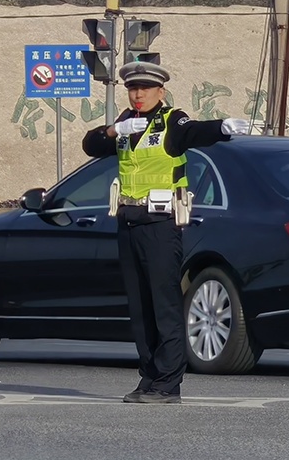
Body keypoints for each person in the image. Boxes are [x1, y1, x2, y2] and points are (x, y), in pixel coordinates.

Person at [81, 61, 251, 404]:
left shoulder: (172, 120)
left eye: (145, 88)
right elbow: (91, 144)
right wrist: (117, 130)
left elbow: (196, 132)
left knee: (164, 303)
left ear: (161, 91)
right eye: (133, 89)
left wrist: (224, 127)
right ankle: (150, 375)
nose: (138, 94)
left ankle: (169, 383)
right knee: (140, 304)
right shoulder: (126, 125)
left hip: (160, 224)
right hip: (128, 221)